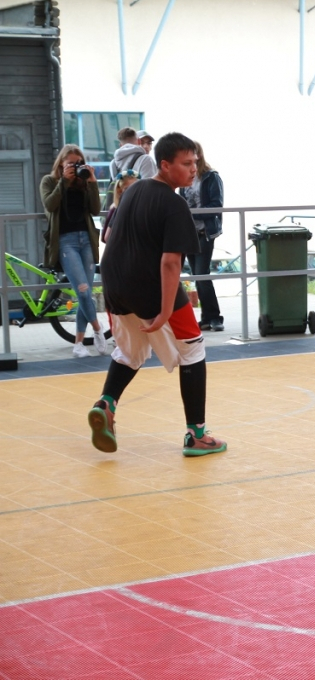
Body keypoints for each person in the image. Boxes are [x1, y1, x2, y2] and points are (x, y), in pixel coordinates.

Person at [87, 132, 228, 457]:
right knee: (193, 349)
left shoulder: (134, 190)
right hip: (148, 284)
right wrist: (165, 310)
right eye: (186, 163)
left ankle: (106, 404)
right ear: (165, 165)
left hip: (114, 284)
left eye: (195, 162)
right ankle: (197, 435)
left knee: (130, 352)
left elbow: (112, 238)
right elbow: (169, 263)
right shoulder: (174, 203)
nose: (193, 169)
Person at [40, 145, 108, 358]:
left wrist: (92, 183)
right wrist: (64, 181)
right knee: (83, 291)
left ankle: (78, 344)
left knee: (85, 292)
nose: (75, 167)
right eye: (70, 163)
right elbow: (50, 205)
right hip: (65, 242)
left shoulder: (83, 181)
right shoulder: (49, 181)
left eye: (78, 163)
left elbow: (96, 209)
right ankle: (98, 329)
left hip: (86, 240)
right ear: (61, 163)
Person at [179, 141, 225, 332]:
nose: (189, 164)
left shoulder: (211, 177)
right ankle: (207, 318)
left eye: (191, 158)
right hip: (189, 232)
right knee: (198, 275)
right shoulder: (184, 179)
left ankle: (214, 317)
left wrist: (191, 212)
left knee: (201, 274)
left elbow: (216, 205)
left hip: (205, 231)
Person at [101, 169, 140, 243]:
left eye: (136, 188)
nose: (133, 192)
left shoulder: (141, 209)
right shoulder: (115, 209)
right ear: (119, 190)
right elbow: (106, 237)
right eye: (128, 189)